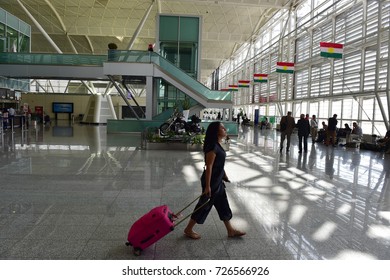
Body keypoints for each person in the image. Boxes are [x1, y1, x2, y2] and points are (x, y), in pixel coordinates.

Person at [184, 121, 246, 239]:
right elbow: (209, 166)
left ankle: (230, 230)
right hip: (211, 182)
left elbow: (219, 164)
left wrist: (224, 175)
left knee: (223, 205)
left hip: (218, 180)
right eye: (222, 128)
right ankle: (188, 229)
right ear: (216, 131)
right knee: (204, 205)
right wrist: (208, 186)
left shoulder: (217, 145)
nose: (225, 129)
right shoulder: (212, 146)